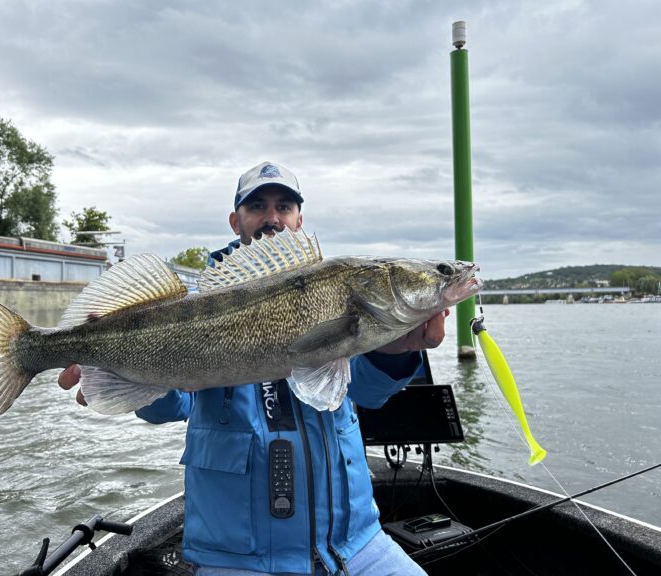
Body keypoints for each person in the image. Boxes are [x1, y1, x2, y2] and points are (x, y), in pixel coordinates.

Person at [58, 161, 447, 576]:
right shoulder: (194, 302)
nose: (272, 217)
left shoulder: (337, 293)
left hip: (357, 546)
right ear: (235, 220)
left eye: (284, 206)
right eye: (257, 206)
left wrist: (399, 352)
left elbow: (367, 393)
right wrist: (119, 372)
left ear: (300, 219)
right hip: (236, 560)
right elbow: (169, 406)